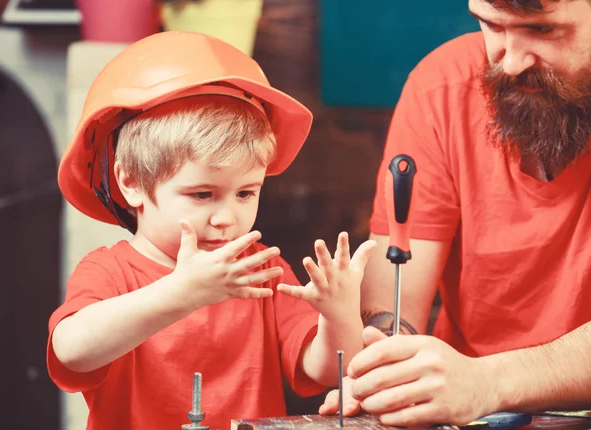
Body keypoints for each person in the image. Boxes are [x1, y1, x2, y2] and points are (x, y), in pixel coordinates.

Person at [46, 31, 376, 430]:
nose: (227, 218)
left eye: (245, 193)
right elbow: (71, 350)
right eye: (203, 194)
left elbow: (322, 370)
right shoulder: (110, 272)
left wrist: (338, 316)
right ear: (131, 182)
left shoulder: (259, 270)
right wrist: (182, 293)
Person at [320, 0, 591, 426]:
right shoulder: (441, 86)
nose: (513, 63)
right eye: (492, 26)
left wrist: (489, 382)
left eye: (543, 31)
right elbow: (396, 306)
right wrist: (386, 366)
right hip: (465, 411)